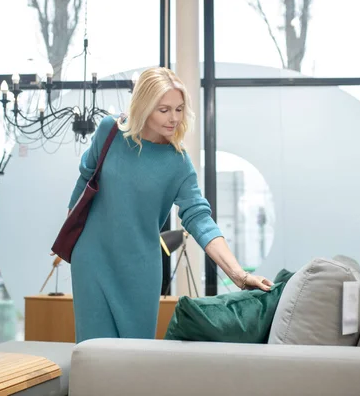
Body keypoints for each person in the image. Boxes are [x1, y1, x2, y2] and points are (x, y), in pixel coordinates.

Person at [64, 67, 273, 343]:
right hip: (91, 260)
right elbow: (85, 176)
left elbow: (199, 217)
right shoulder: (109, 132)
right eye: (164, 110)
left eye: (178, 109)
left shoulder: (178, 162)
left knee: (133, 361)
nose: (174, 118)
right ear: (144, 106)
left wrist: (237, 273)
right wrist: (71, 231)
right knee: (93, 354)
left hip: (140, 269)